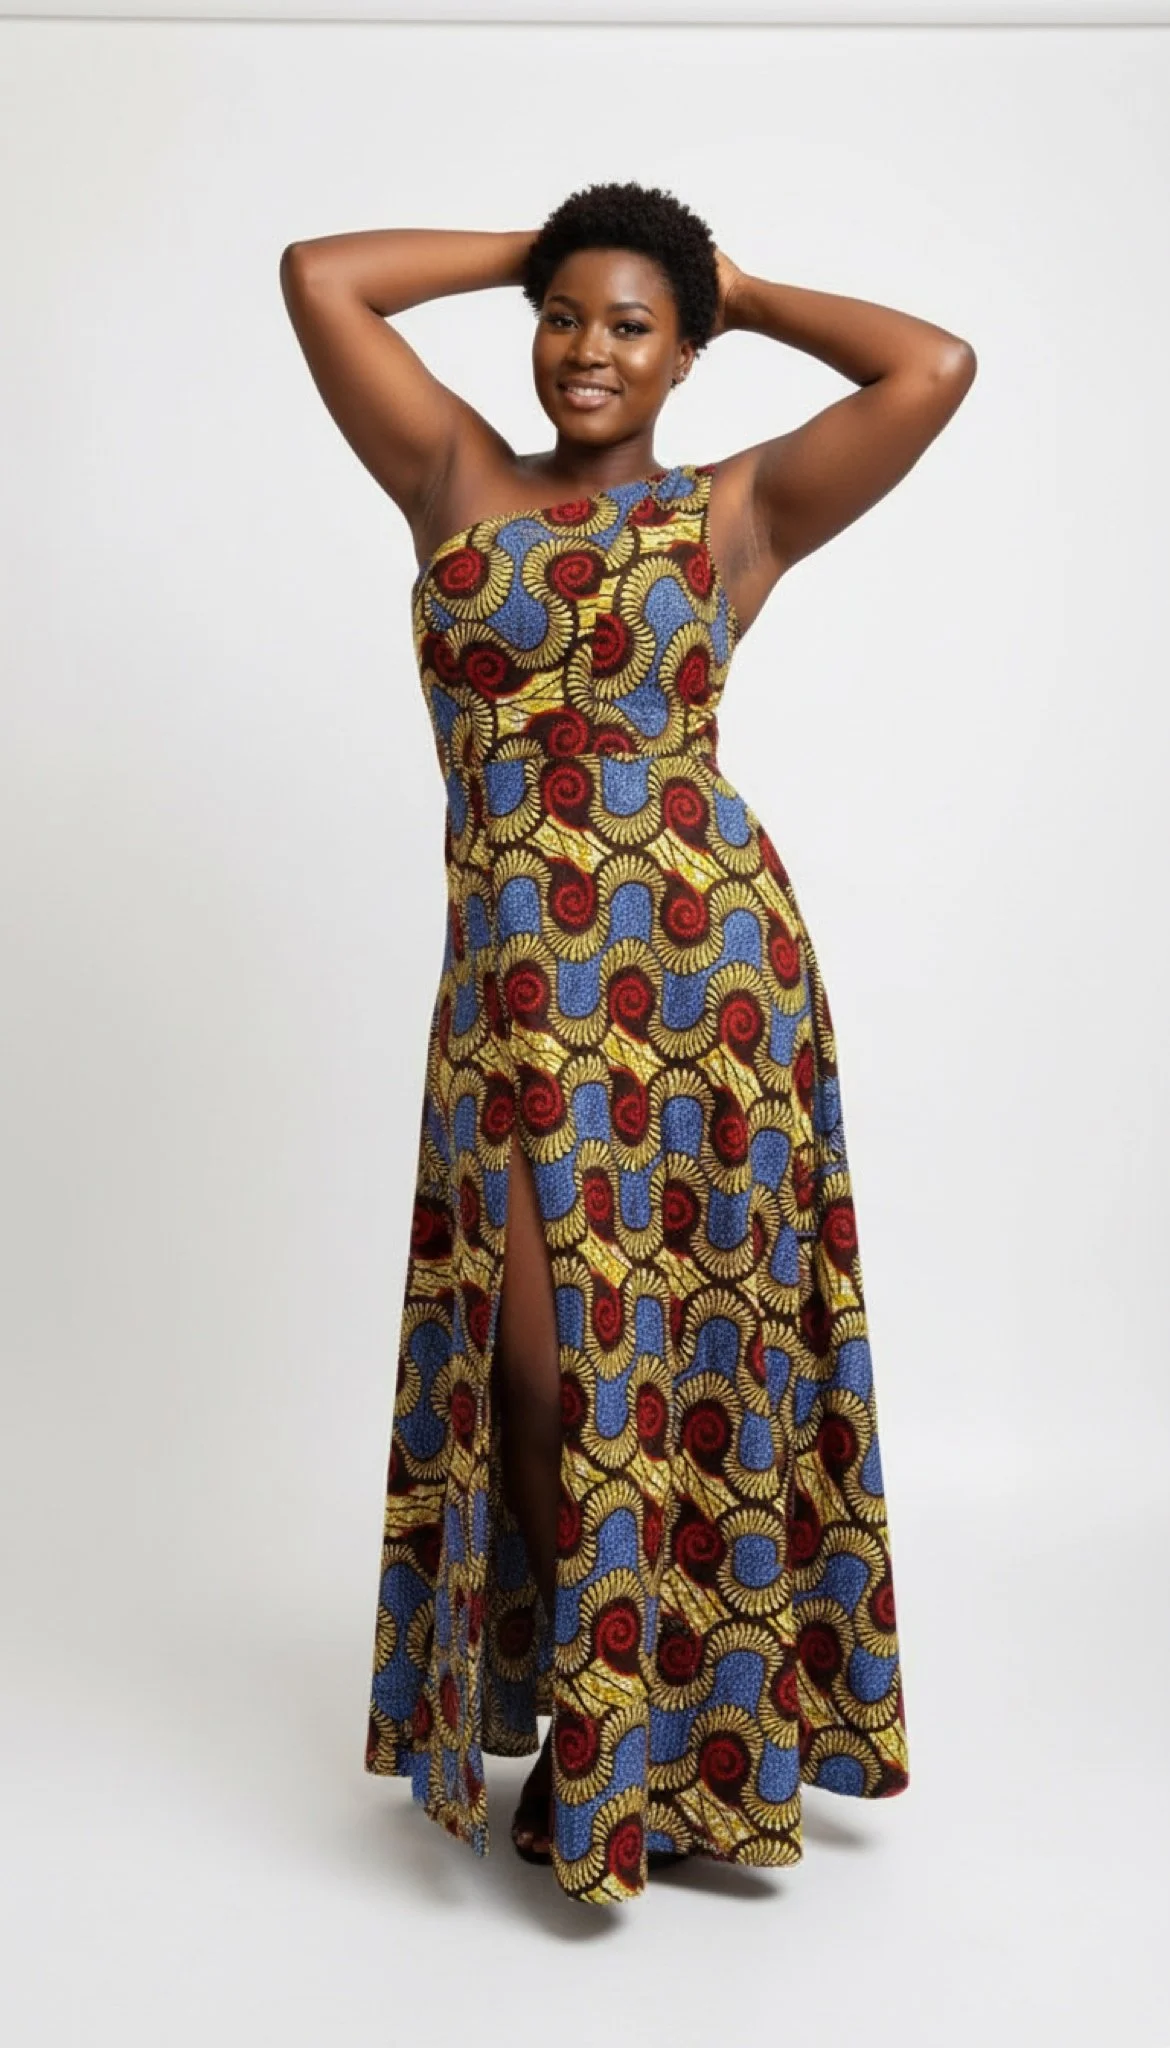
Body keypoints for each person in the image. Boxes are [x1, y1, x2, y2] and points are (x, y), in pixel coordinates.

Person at [279, 180, 976, 1907]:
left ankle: (657, 1761)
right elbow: (321, 277)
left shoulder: (732, 511)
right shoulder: (452, 473)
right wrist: (536, 245)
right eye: (564, 316)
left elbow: (931, 368)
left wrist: (737, 282)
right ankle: (609, 1734)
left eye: (632, 324)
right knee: (540, 1368)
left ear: (683, 353)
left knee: (697, 1364)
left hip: (702, 989)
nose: (588, 349)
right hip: (517, 989)